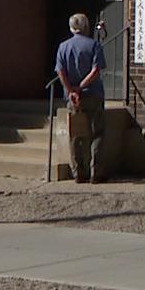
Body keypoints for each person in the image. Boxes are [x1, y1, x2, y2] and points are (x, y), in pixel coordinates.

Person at [54, 12, 107, 183]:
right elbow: (96, 70)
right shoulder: (94, 45)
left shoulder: (63, 47)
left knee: (75, 135)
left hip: (73, 98)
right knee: (96, 133)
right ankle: (96, 172)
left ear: (71, 28)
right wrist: (82, 86)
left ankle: (79, 172)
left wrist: (71, 90)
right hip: (93, 94)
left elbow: (60, 71)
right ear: (85, 26)